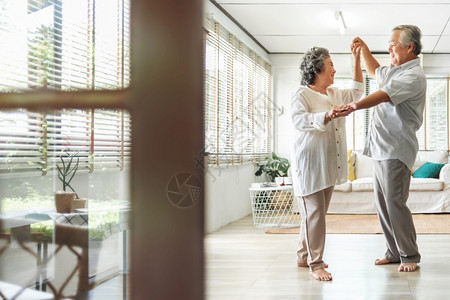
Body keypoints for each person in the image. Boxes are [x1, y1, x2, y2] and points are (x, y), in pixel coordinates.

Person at [335, 25, 425, 272]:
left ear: (410, 47)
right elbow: (375, 71)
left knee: (395, 202)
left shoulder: (413, 76)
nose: (389, 48)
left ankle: (409, 255)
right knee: (383, 204)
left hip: (396, 148)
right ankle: (393, 252)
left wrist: (354, 106)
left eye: (393, 44)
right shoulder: (396, 70)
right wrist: (363, 49)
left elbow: (384, 95)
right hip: (381, 147)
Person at [290, 45, 364, 281]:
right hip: (309, 164)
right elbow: (299, 121)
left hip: (329, 163)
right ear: (317, 68)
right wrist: (328, 115)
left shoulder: (333, 93)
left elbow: (357, 91)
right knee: (314, 214)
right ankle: (316, 264)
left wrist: (356, 58)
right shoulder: (301, 94)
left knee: (315, 215)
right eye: (331, 65)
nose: (334, 70)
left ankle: (304, 256)